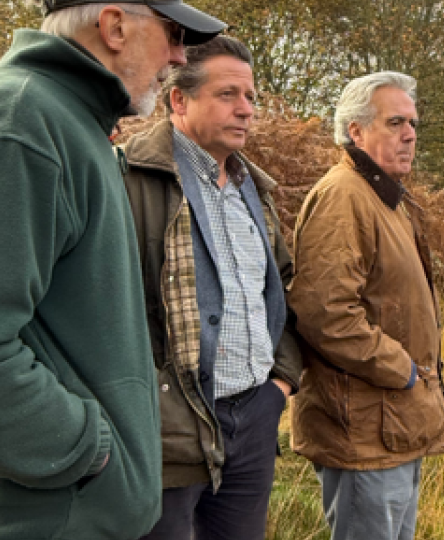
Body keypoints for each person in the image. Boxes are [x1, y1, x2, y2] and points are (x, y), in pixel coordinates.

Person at [0, 1, 224, 539]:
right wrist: (87, 448)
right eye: (174, 34)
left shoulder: (72, 125)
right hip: (46, 519)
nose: (179, 56)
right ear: (113, 25)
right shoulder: (21, 120)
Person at [121, 35, 302, 540]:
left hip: (253, 419)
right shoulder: (129, 178)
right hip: (165, 432)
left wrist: (280, 384)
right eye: (228, 95)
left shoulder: (254, 190)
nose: (246, 110)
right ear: (179, 100)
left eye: (250, 97)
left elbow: (282, 290)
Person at [288, 71, 444, 540]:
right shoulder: (344, 196)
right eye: (395, 123)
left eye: (413, 124)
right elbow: (325, 313)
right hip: (364, 426)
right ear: (356, 131)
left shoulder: (385, 198)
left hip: (392, 422)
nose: (410, 135)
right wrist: (401, 368)